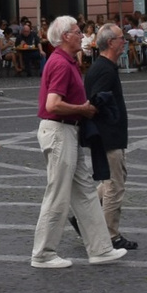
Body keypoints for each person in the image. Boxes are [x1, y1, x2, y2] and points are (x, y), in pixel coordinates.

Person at [31, 16, 127, 269]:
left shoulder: (66, 61)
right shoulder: (61, 63)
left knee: (85, 191)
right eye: (77, 32)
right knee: (58, 194)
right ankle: (43, 254)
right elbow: (53, 104)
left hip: (67, 131)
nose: (82, 36)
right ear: (65, 37)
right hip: (60, 131)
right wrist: (83, 109)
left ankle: (101, 248)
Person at [85, 23, 135, 250]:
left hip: (109, 133)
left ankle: (81, 217)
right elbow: (96, 100)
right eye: (121, 38)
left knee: (109, 183)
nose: (124, 41)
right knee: (115, 186)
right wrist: (111, 117)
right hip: (108, 134)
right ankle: (110, 235)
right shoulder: (104, 69)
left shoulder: (105, 66)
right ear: (111, 42)